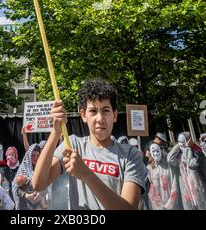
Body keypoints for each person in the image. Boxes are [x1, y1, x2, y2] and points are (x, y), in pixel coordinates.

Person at [32, 79, 145, 210]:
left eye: (106, 110)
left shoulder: (130, 154)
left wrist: (86, 174)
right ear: (83, 115)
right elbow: (38, 184)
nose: (100, 118)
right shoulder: (72, 145)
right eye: (93, 111)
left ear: (114, 115)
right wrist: (56, 131)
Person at [167, 131, 206, 210]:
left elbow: (192, 164)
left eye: (183, 141)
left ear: (188, 141)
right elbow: (169, 159)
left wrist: (188, 149)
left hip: (198, 188)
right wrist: (178, 145)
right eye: (179, 142)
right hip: (186, 190)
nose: (181, 144)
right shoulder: (179, 157)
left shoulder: (196, 153)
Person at [12, 142, 49, 210]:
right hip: (25, 205)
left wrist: (40, 193)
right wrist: (26, 195)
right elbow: (15, 187)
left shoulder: (42, 168)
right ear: (29, 156)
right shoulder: (23, 168)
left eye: (37, 155)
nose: (35, 158)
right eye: (33, 155)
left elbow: (48, 184)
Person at [147, 143, 180, 210]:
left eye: (157, 151)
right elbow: (151, 190)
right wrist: (160, 206)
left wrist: (170, 204)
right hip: (156, 206)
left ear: (161, 151)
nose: (156, 153)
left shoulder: (168, 166)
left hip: (172, 205)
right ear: (150, 153)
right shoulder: (149, 168)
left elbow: (174, 184)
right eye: (153, 151)